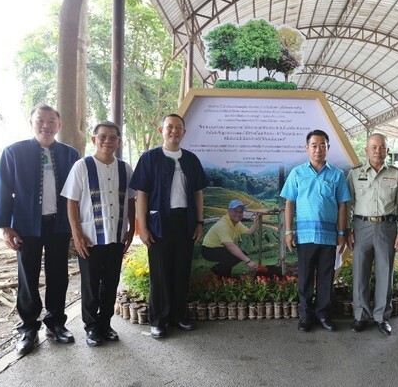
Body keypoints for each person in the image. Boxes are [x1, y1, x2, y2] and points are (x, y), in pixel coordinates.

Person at [0, 104, 80, 355]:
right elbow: (2, 190)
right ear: (32, 123)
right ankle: (29, 328)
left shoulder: (70, 154)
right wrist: (5, 227)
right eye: (41, 120)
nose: (46, 125)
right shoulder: (13, 152)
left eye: (52, 121)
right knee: (28, 278)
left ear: (59, 125)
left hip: (59, 224)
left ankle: (56, 324)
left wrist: (77, 225)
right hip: (26, 226)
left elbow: (77, 192)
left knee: (58, 275)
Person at [129, 113, 209, 339]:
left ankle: (178, 315)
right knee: (160, 273)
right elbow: (141, 194)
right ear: (161, 131)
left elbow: (198, 193)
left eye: (178, 128)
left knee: (182, 270)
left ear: (184, 132)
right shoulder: (150, 158)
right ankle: (158, 320)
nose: (174, 131)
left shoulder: (191, 160)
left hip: (185, 221)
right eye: (169, 127)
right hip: (158, 223)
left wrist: (199, 222)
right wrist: (142, 227)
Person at [61, 121, 136, 346]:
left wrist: (132, 229)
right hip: (90, 238)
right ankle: (91, 327)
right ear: (94, 140)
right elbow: (71, 202)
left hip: (116, 237)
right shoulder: (82, 167)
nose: (107, 141)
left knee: (111, 282)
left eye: (113, 137)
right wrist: (76, 233)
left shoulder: (125, 168)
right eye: (102, 136)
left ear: (118, 142)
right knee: (91, 283)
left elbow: (131, 200)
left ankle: (106, 323)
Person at [280, 130, 350, 332]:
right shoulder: (297, 173)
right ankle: (305, 316)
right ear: (307, 148)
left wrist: (341, 233)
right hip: (304, 236)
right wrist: (288, 231)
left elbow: (343, 206)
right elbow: (289, 202)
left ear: (328, 147)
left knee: (326, 277)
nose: (318, 149)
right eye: (314, 145)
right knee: (305, 277)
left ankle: (323, 314)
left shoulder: (337, 175)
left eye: (322, 145)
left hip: (329, 237)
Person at [346, 133, 398, 335]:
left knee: (385, 273)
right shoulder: (354, 174)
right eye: (373, 147)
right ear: (366, 150)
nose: (377, 151)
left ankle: (382, 317)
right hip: (361, 227)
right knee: (360, 274)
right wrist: (348, 230)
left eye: (382, 147)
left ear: (387, 151)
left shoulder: (396, 174)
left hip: (386, 228)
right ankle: (361, 316)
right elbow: (347, 206)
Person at [201, 200, 259, 277]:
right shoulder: (223, 225)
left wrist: (256, 222)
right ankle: (222, 273)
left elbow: (249, 232)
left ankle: (221, 273)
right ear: (229, 211)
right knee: (232, 256)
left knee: (238, 255)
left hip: (220, 248)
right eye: (235, 211)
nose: (238, 214)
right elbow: (230, 247)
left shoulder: (236, 223)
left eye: (241, 212)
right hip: (209, 250)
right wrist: (248, 261)